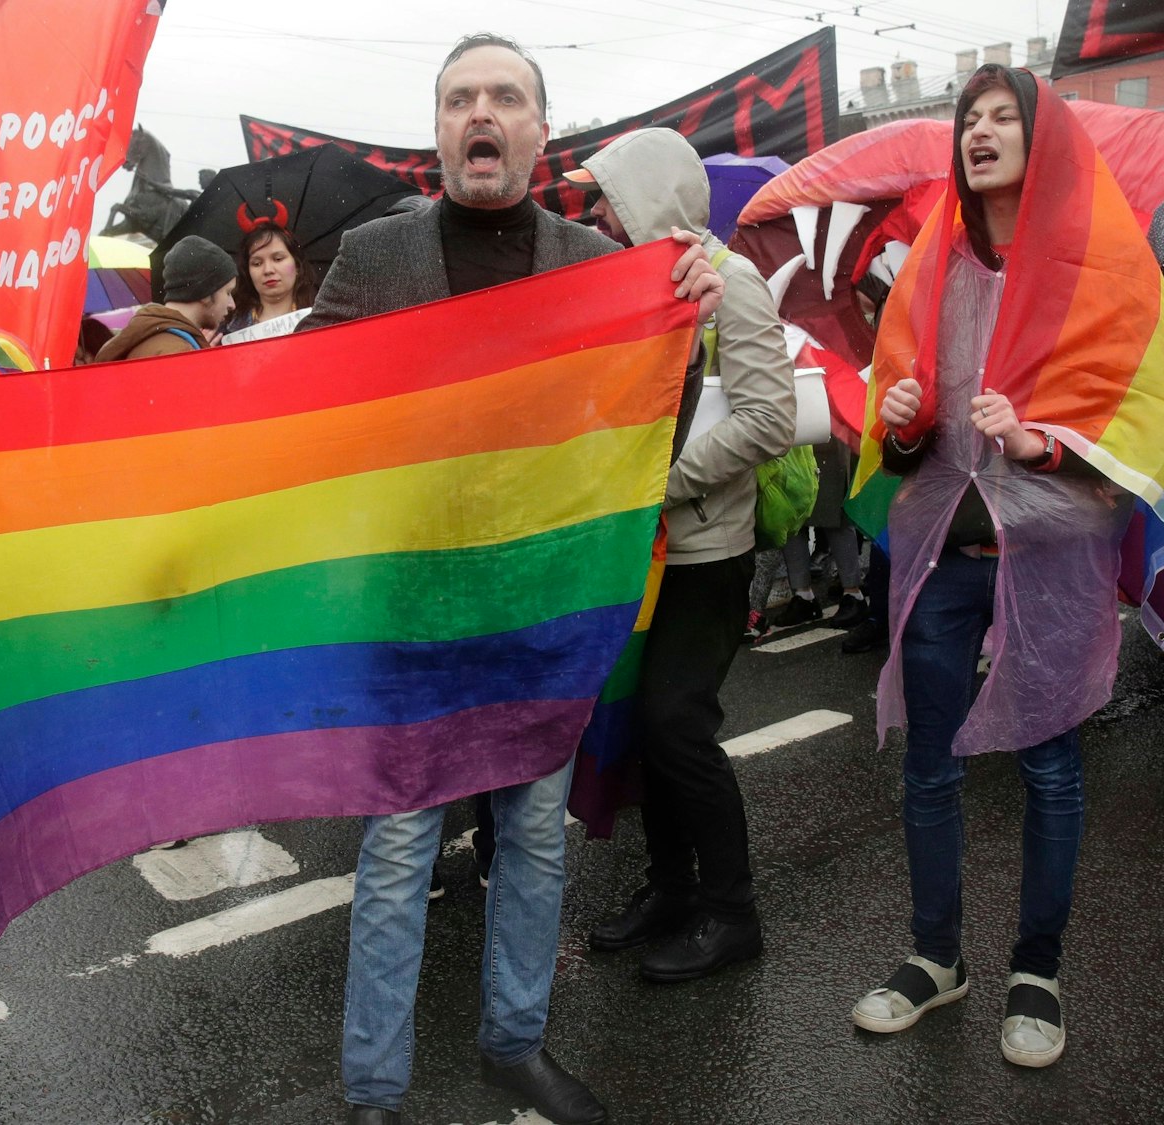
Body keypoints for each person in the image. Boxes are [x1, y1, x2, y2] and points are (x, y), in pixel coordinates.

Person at [302, 35, 723, 1125]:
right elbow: (297, 419)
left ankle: (513, 1043)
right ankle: (373, 1090)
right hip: (410, 613)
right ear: (437, 131)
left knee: (531, 841)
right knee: (400, 846)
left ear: (539, 131)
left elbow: (640, 445)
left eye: (501, 97)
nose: (477, 113)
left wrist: (685, 332)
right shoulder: (373, 260)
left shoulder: (593, 262)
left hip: (539, 612)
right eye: (457, 100)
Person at [846, 65, 1164, 1070]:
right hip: (945, 552)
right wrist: (900, 422)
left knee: (1049, 768)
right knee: (928, 767)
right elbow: (895, 426)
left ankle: (1036, 970)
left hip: (1052, 554)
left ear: (1048, 141)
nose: (978, 132)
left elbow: (1140, 418)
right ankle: (934, 957)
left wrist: (1042, 445)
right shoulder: (930, 266)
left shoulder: (1106, 267)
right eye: (968, 119)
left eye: (1001, 117)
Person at [567, 127, 797, 982]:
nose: (597, 213)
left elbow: (770, 420)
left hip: (707, 549)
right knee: (643, 727)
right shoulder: (636, 287)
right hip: (645, 552)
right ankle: (670, 889)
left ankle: (734, 912)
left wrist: (658, 482)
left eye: (611, 196)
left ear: (652, 197)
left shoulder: (730, 286)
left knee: (676, 723)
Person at [771, 441, 868, 630]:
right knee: (792, 519)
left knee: (835, 517)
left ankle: (853, 593)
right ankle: (803, 595)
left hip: (829, 432)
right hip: (790, 438)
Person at [93, 234, 236, 361]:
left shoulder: (157, 339)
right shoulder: (178, 353)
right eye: (228, 292)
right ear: (206, 292)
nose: (232, 304)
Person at [225, 224, 316, 335]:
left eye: (278, 259)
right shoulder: (226, 330)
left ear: (297, 265)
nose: (268, 270)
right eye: (257, 263)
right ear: (247, 272)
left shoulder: (320, 320)